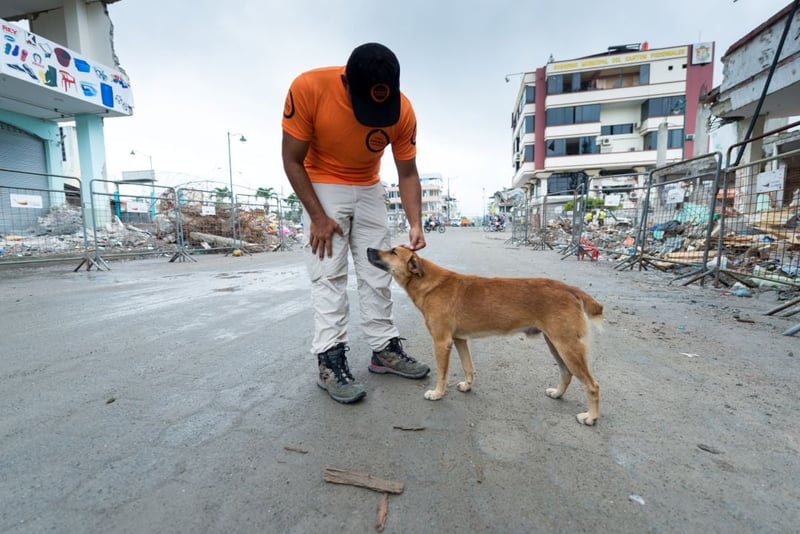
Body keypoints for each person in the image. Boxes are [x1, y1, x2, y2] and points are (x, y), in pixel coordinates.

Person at [281, 42, 430, 404]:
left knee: (379, 269)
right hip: (322, 182)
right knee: (328, 273)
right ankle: (330, 360)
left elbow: (407, 171)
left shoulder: (403, 109)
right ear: (347, 83)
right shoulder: (309, 88)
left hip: (369, 186)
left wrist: (416, 222)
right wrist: (318, 217)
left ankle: (383, 350)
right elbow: (291, 159)